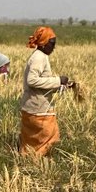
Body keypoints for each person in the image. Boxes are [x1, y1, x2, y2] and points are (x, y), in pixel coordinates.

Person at [19, 26, 75, 156]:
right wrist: (57, 80)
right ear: (44, 44)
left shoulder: (40, 56)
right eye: (52, 44)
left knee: (31, 141)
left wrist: (64, 85)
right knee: (50, 137)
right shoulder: (39, 57)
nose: (53, 48)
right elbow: (32, 81)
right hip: (38, 109)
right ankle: (37, 161)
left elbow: (42, 83)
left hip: (31, 107)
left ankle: (27, 158)